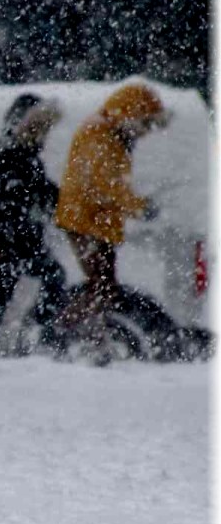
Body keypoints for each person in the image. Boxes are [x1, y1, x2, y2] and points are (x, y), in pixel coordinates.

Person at [53, 82, 168, 365]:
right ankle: (66, 333)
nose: (146, 132)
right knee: (102, 287)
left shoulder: (110, 133)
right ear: (131, 115)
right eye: (145, 124)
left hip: (96, 223)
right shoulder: (100, 135)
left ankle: (89, 338)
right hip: (86, 223)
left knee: (104, 287)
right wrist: (139, 208)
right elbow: (108, 184)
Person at [0, 94, 68, 355]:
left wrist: (63, 203)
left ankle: (31, 331)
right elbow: (7, 195)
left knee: (6, 295)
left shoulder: (26, 154)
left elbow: (42, 192)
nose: (45, 136)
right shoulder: (6, 151)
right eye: (41, 129)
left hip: (20, 240)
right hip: (4, 240)